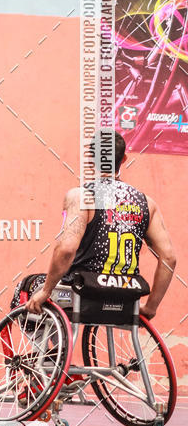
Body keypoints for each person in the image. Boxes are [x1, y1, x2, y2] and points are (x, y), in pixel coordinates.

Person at [20, 131, 176, 318]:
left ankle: (48, 347)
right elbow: (169, 258)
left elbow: (67, 249)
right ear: (124, 159)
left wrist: (46, 291)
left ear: (91, 159)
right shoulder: (147, 203)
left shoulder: (80, 197)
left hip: (84, 288)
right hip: (127, 293)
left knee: (27, 287)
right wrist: (151, 307)